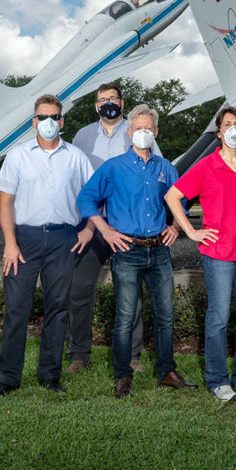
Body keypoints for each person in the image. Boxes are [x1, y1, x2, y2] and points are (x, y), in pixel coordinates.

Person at [76, 104, 198, 397]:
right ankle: (122, 375)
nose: (143, 133)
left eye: (149, 129)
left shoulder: (166, 168)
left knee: (165, 314)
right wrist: (105, 231)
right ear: (130, 132)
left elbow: (180, 204)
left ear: (155, 132)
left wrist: (176, 228)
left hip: (158, 251)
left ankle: (166, 371)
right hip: (127, 250)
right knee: (126, 316)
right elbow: (86, 199)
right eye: (138, 128)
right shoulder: (114, 167)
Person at [165, 106, 236, 402]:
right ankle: (217, 379)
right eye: (227, 124)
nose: (233, 129)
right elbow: (173, 195)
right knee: (218, 317)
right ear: (218, 133)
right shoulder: (206, 166)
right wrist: (191, 232)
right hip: (217, 253)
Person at [0, 95, 94, 396]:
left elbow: (93, 197)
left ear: (62, 121)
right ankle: (8, 379)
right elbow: (5, 201)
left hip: (64, 238)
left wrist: (88, 229)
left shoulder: (76, 157)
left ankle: (50, 376)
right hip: (24, 240)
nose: (49, 122)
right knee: (16, 309)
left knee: (58, 308)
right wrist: (10, 244)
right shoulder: (18, 155)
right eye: (43, 117)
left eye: (55, 117)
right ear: (34, 121)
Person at [68, 83, 160, 374]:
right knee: (80, 288)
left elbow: (155, 170)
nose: (108, 103)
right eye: (102, 100)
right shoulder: (82, 136)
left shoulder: (137, 131)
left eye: (113, 99)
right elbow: (75, 181)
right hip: (93, 225)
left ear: (122, 102)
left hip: (127, 226)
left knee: (131, 293)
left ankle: (132, 355)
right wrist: (83, 223)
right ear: (96, 106)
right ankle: (79, 354)